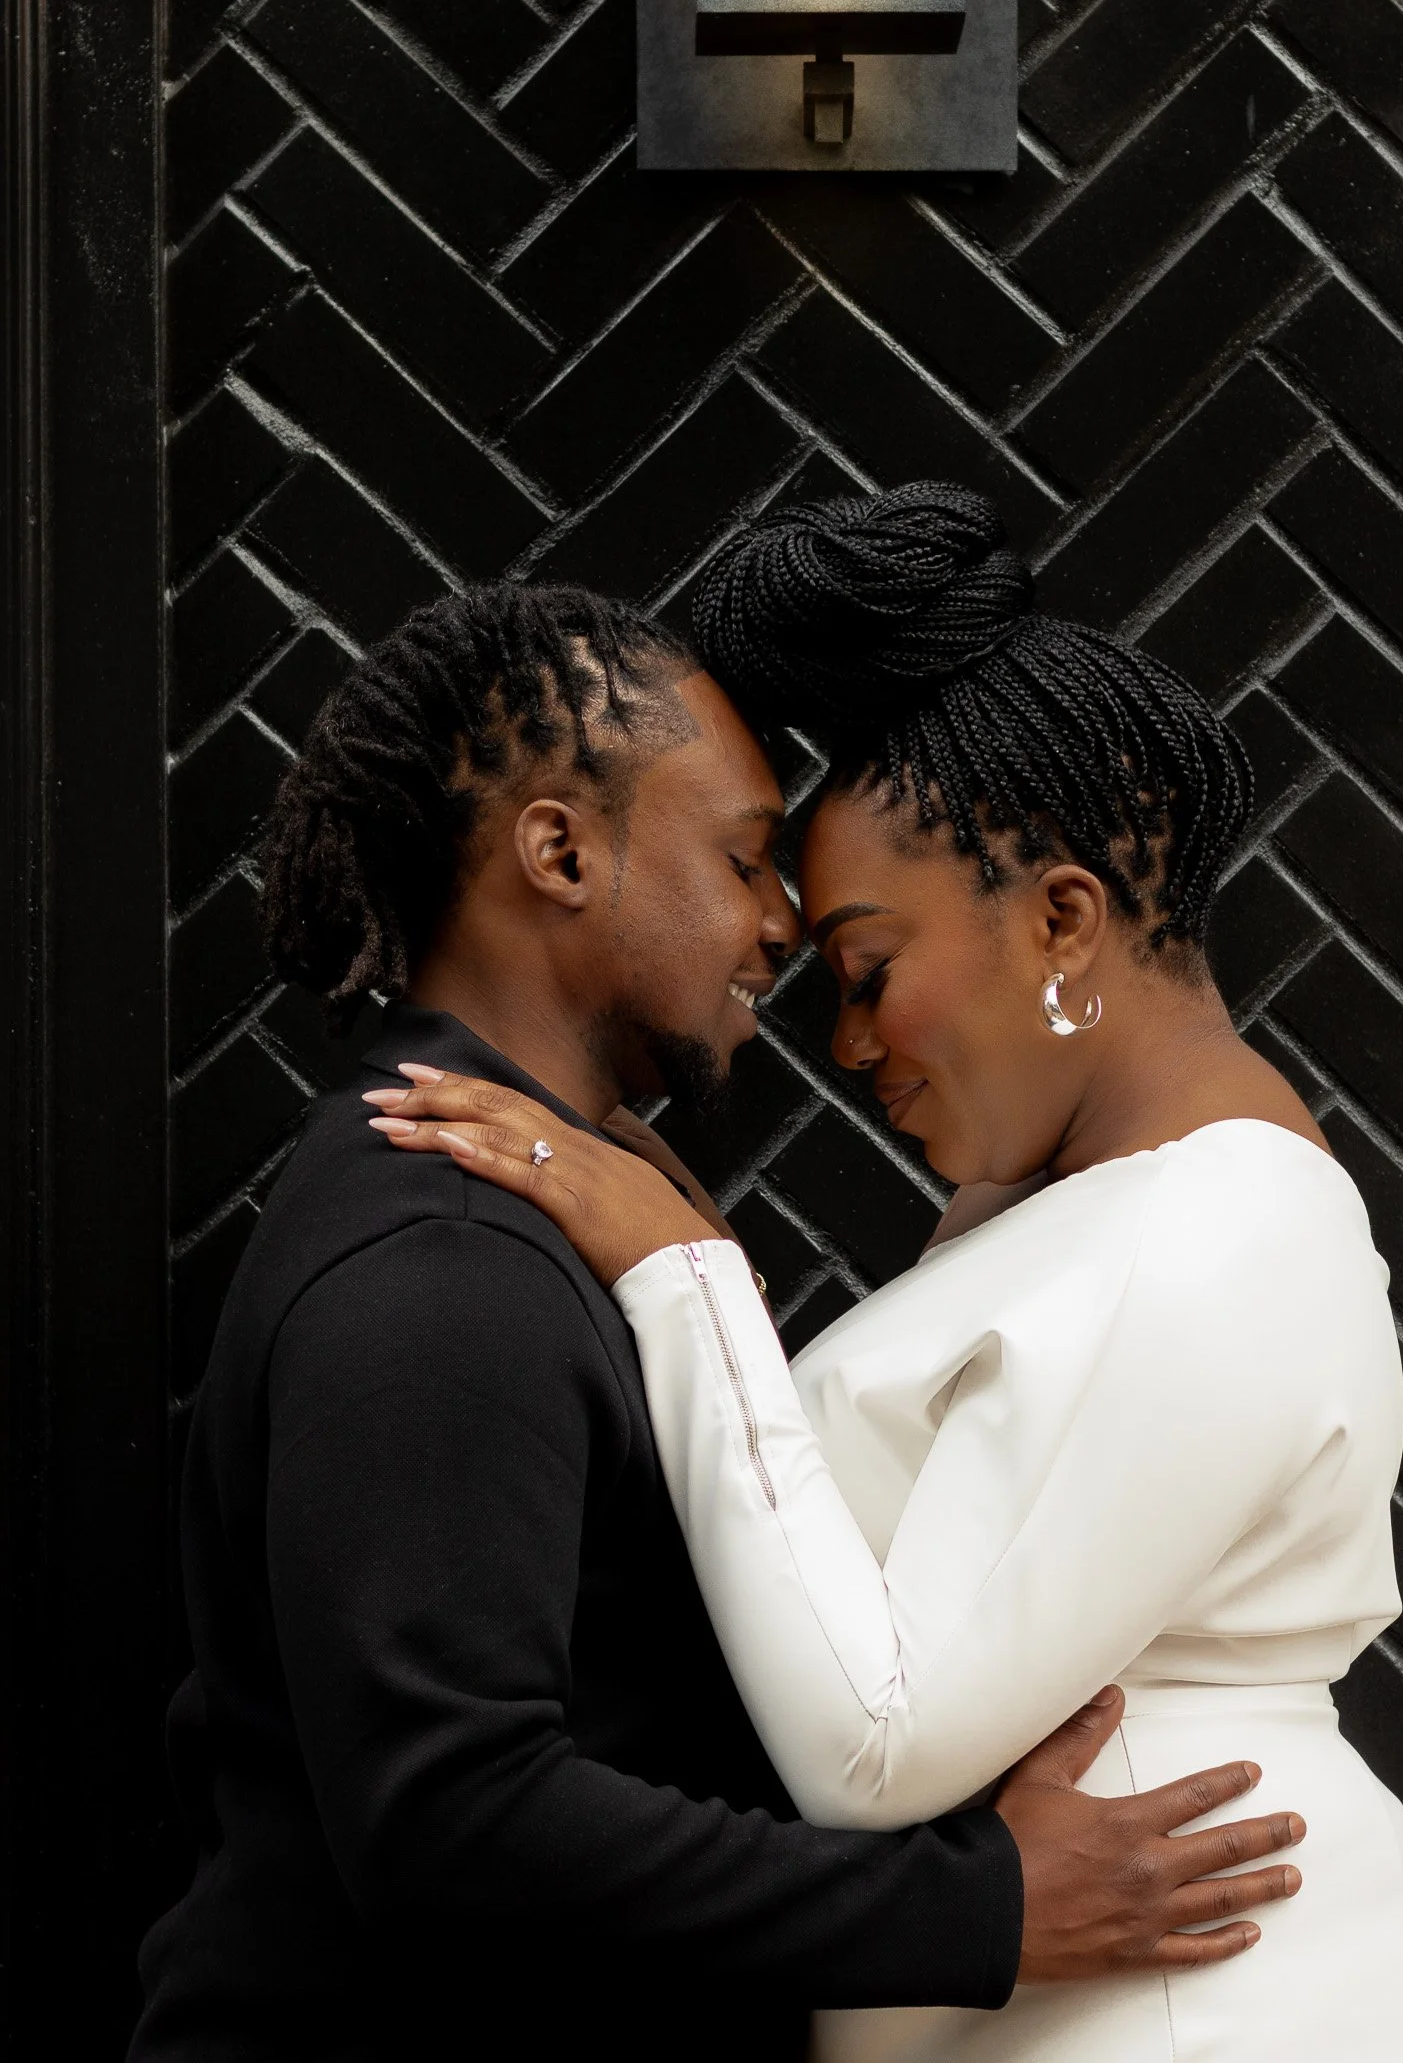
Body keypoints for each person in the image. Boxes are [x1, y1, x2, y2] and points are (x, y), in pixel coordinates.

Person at [370, 490, 1403, 2062]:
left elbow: (877, 1746)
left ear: (1059, 918)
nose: (842, 1046)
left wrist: (686, 1284)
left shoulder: (1218, 1234)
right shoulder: (1094, 1219)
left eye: (866, 968)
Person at [129, 582, 1306, 2063]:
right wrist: (977, 1912)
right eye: (745, 858)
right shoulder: (443, 1248)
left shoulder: (549, 1214)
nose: (778, 925)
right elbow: (452, 1819)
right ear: (559, 849)